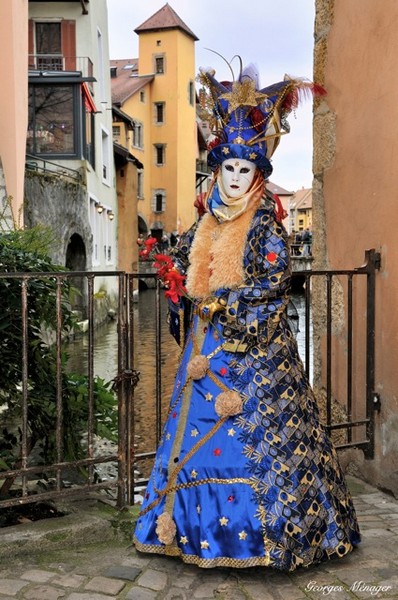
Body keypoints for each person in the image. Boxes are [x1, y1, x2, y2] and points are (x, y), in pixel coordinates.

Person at [134, 61, 360, 571]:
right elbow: (189, 275)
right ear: (217, 170)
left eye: (245, 171)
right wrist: (178, 289)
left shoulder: (265, 229)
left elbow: (274, 285)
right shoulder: (204, 223)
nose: (235, 180)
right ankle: (186, 529)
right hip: (203, 356)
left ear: (258, 175)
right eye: (228, 169)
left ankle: (262, 539)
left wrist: (224, 303)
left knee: (264, 446)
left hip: (253, 360)